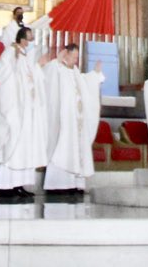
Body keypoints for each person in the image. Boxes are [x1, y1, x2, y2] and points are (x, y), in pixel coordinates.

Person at [0, 26, 47, 199]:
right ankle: (6, 187)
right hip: (13, 110)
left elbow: (32, 80)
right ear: (21, 39)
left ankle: (19, 184)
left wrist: (38, 66)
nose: (31, 43)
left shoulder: (25, 57)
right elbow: (0, 78)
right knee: (12, 146)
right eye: (29, 39)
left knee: (24, 148)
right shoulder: (9, 53)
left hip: (26, 112)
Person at [41, 43, 102, 197]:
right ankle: (57, 184)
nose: (75, 60)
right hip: (64, 122)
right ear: (66, 54)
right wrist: (56, 62)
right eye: (73, 57)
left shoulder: (74, 72)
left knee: (75, 150)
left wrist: (95, 74)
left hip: (76, 123)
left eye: (76, 57)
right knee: (63, 148)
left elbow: (86, 83)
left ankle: (73, 183)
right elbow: (46, 76)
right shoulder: (57, 69)